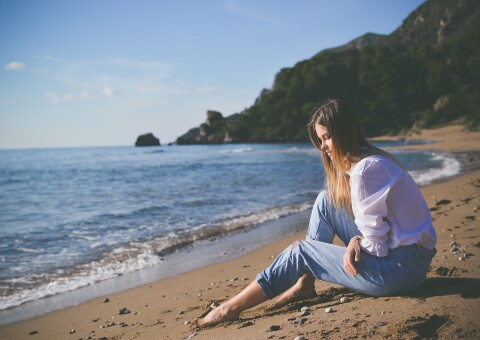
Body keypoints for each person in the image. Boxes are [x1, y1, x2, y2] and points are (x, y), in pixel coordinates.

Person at [197, 98, 437, 328]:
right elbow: (381, 235)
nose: (322, 146)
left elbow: (377, 247)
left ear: (344, 132)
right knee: (326, 201)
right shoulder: (372, 160)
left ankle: (229, 308)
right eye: (320, 139)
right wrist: (357, 240)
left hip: (398, 272)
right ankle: (304, 284)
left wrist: (356, 241)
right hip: (408, 262)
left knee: (301, 251)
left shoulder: (366, 170)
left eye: (327, 137)